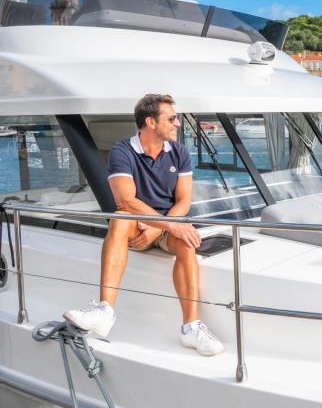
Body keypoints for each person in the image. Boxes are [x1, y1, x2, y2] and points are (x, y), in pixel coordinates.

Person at [64, 94, 225, 355]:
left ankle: (191, 328)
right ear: (151, 122)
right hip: (136, 226)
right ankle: (105, 311)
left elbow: (183, 201)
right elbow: (126, 201)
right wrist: (163, 225)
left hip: (164, 226)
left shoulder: (179, 152)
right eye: (171, 119)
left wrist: (160, 227)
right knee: (119, 219)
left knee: (187, 242)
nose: (177, 124)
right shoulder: (122, 151)